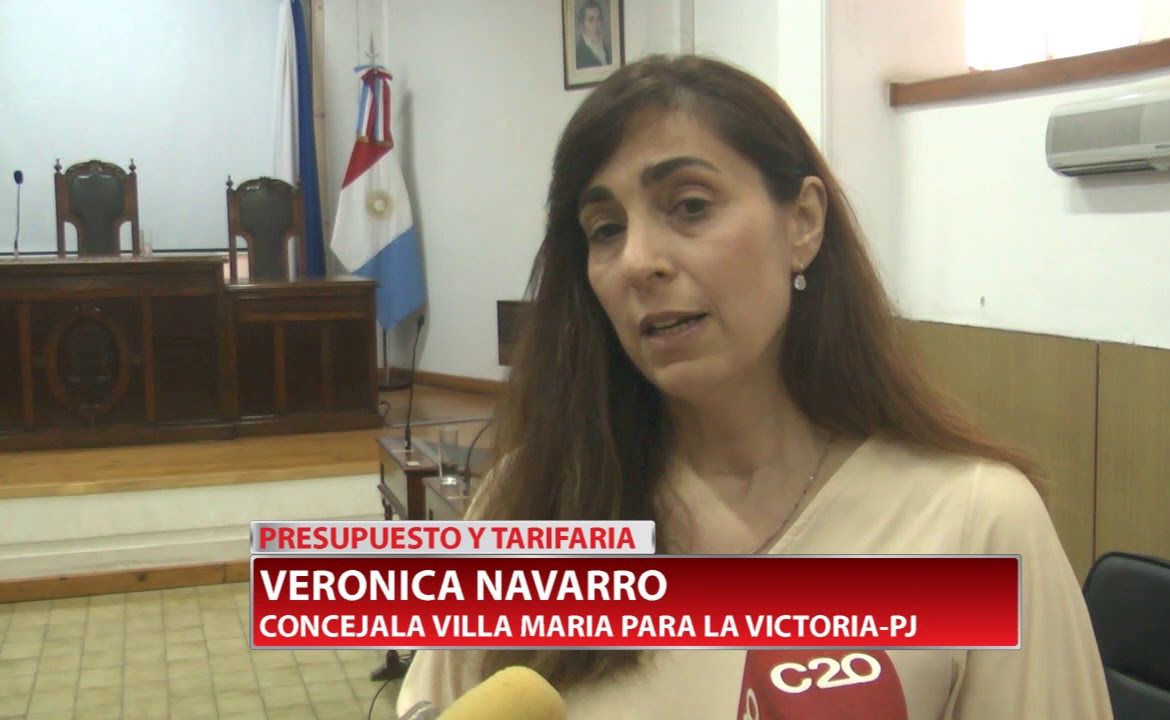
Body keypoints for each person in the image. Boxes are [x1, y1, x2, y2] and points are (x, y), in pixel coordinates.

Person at [397, 54, 1114, 719]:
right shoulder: (528, 505)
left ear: (802, 221)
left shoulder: (976, 525)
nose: (638, 261)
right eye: (606, 229)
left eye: (690, 206)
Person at [575, 0, 610, 68]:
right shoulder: (578, 55)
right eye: (591, 20)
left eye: (598, 19)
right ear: (582, 26)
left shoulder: (606, 50)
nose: (596, 25)